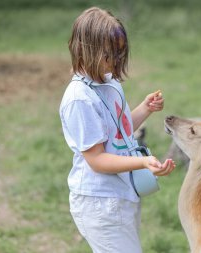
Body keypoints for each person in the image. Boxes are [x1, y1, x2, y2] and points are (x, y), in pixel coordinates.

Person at [59, 7, 176, 253]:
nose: (116, 60)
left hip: (121, 195)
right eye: (110, 54)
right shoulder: (79, 99)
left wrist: (145, 108)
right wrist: (142, 163)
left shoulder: (109, 83)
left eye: (120, 52)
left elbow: (119, 133)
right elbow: (97, 160)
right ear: (86, 49)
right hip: (100, 203)